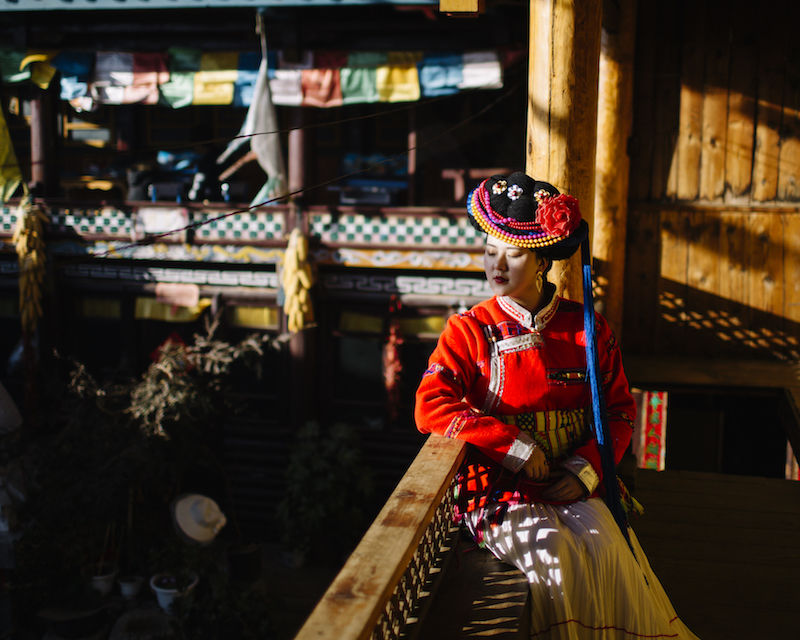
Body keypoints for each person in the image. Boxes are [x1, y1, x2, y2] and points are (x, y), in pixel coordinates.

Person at [414, 171, 699, 639]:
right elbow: (431, 404)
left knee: (607, 550)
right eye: (489, 251)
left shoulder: (589, 329)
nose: (496, 265)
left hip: (572, 481)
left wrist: (585, 470)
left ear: (542, 262)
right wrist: (513, 445)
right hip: (500, 489)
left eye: (513, 254)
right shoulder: (469, 330)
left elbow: (619, 411)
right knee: (554, 558)